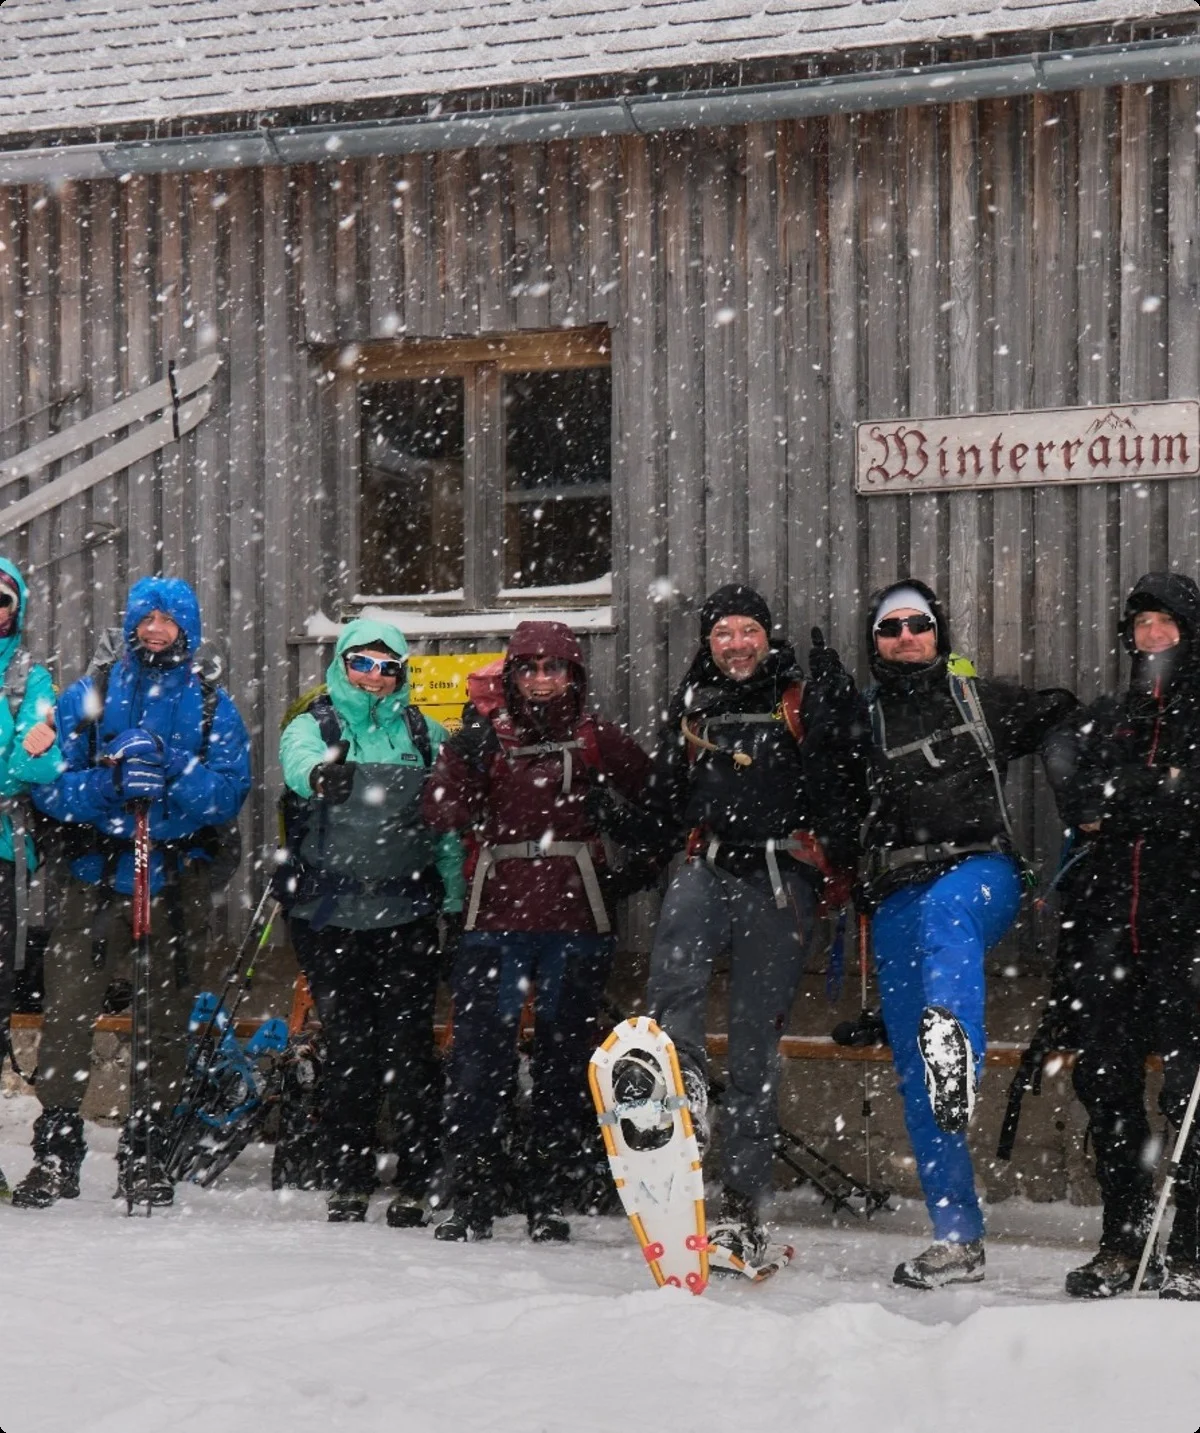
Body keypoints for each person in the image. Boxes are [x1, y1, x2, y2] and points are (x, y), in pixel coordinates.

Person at [640, 584, 865, 1269]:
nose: (736, 644)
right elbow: (666, 797)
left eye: (747, 631)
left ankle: (742, 1206)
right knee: (670, 981)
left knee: (754, 1044)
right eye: (722, 634)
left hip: (777, 879)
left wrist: (840, 713)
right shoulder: (692, 706)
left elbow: (845, 779)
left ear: (767, 635)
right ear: (708, 643)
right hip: (706, 865)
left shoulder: (799, 698)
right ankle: (685, 1098)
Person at [858, 579, 1075, 1288]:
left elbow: (1062, 714)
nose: (906, 637)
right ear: (877, 643)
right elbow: (831, 800)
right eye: (890, 628)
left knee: (947, 916)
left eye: (918, 624)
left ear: (937, 632)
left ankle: (959, 1046)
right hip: (895, 891)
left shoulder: (978, 701)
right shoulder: (864, 720)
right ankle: (957, 1237)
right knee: (916, 1081)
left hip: (982, 873)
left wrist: (1081, 766)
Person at [16, 576, 251, 1209]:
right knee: (67, 1015)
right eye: (145, 619)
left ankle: (144, 1152)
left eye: (168, 621)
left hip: (174, 882)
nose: (155, 630)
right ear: (130, 624)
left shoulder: (209, 707)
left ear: (188, 630)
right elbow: (46, 784)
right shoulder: (85, 698)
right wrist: (108, 782)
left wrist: (173, 763)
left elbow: (230, 793)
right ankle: (57, 1150)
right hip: (91, 880)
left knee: (165, 1019)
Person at [421, 620, 652, 1243]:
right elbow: (439, 808)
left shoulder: (598, 741)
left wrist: (622, 847)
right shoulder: (482, 740)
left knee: (563, 1062)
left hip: (576, 925)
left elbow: (661, 807)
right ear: (513, 676)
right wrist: (460, 767)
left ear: (573, 676)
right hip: (493, 923)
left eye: (554, 669)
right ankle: (472, 1194)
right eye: (530, 669)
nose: (542, 680)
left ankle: (548, 1194)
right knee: (478, 1062)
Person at [279, 617, 465, 1225]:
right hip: (330, 916)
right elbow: (294, 759)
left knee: (410, 1050)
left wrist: (456, 903)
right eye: (364, 662)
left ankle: (416, 1177)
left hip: (406, 915)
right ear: (343, 664)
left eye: (389, 667)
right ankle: (349, 1176)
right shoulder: (318, 724)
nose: (376, 677)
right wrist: (318, 775)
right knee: (351, 1049)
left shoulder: (424, 733)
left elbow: (446, 829)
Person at [1048, 572, 1200, 1300]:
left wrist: (1137, 796)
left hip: (1186, 928)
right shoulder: (1110, 715)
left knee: (1189, 1091)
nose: (1151, 635)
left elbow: (1180, 798)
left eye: (1164, 622)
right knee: (1105, 1080)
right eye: (1140, 622)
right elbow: (1078, 797)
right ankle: (1123, 1236)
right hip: (1109, 931)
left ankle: (1192, 1245)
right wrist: (1158, 791)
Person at [0, 560, 61, 1196]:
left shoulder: (30, 678)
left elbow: (44, 767)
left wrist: (25, 755)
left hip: (2, 856)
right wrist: (20, 758)